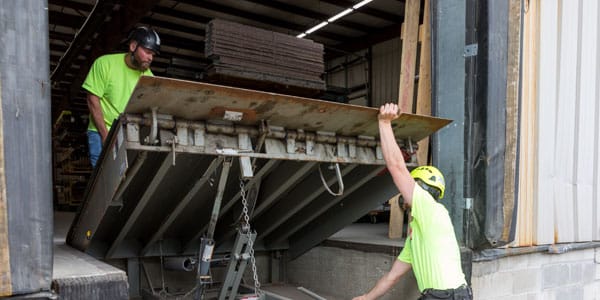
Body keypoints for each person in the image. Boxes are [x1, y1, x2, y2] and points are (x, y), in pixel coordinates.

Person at [353, 103, 471, 300]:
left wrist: (384, 123)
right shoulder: (417, 235)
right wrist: (366, 298)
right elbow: (393, 276)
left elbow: (397, 166)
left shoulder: (429, 208)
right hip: (450, 295)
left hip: (444, 297)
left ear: (418, 186)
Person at [82, 26, 160, 167]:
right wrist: (106, 137)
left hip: (129, 133)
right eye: (147, 52)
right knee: (104, 181)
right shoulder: (105, 64)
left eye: (153, 54)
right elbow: (92, 100)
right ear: (133, 46)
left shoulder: (148, 77)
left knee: (128, 180)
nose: (150, 58)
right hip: (102, 132)